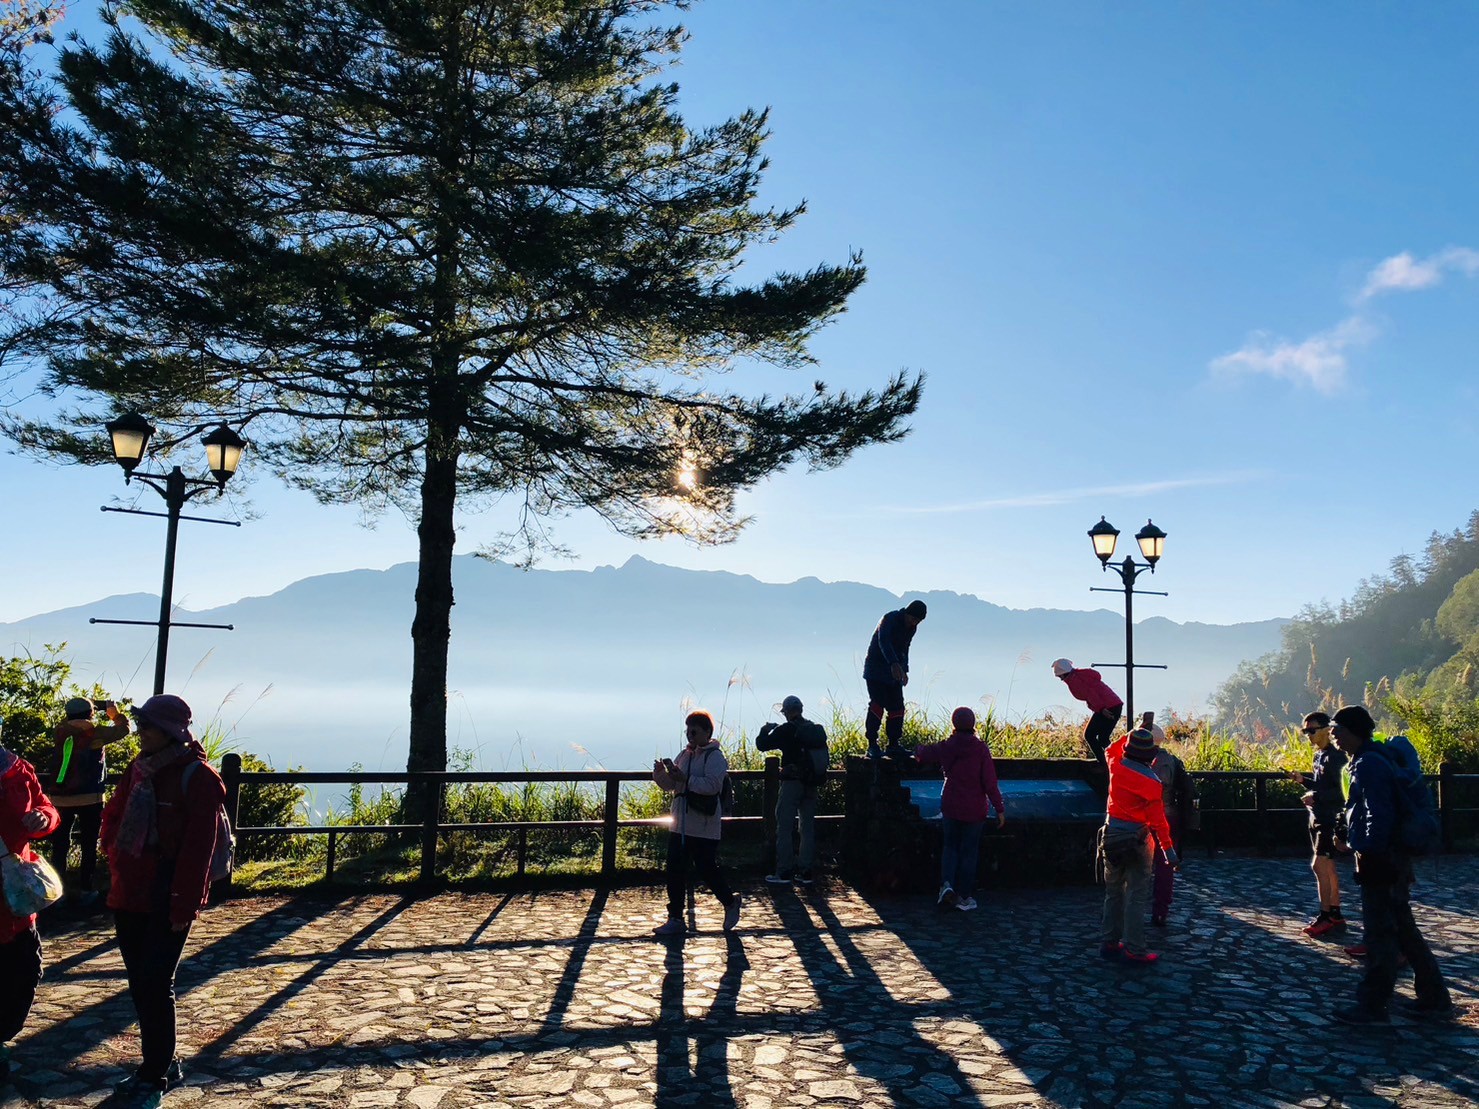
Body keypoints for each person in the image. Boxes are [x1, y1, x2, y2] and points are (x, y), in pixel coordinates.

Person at [100, 694, 226, 1106]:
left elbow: (197, 849)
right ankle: (162, 1062)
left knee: (155, 982)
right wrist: (112, 851)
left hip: (167, 892)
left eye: (147, 727)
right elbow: (114, 815)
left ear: (170, 731)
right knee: (141, 982)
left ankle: (153, 1073)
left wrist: (184, 905)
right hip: (129, 891)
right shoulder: (139, 770)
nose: (140, 733)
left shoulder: (198, 777)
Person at [1328, 705, 1450, 1025]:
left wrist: (1366, 850)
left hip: (1381, 860)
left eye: (1337, 728)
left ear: (1352, 730)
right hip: (1393, 856)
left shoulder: (1368, 764)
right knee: (1404, 929)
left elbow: (1377, 815)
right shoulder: (1373, 759)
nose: (1333, 734)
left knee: (1380, 933)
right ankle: (1434, 998)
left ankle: (1372, 1005)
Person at [0, 726, 60, 1086]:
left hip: (15, 897)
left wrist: (43, 818)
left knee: (24, 972)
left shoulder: (17, 769)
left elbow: (46, 808)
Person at [651, 710, 741, 938]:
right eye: (687, 729)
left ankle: (730, 901)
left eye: (694, 730)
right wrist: (660, 775)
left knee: (706, 869)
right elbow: (673, 785)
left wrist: (685, 779)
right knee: (674, 870)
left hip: (703, 826)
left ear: (707, 732)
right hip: (680, 823)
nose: (689, 734)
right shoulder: (685, 754)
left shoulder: (715, 758)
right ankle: (676, 918)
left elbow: (712, 786)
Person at [1098, 727, 1179, 964]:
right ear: (1151, 756)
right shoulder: (1151, 782)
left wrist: (1133, 731)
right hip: (1138, 840)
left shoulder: (1115, 765)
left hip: (1111, 834)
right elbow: (1158, 821)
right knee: (1136, 894)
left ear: (1127, 748)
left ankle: (1109, 942)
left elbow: (1110, 749)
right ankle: (1135, 948)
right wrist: (1169, 850)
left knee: (1113, 892)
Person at [913, 706, 1006, 912]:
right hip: (975, 809)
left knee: (950, 847)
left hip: (951, 805)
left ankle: (946, 885)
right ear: (972, 724)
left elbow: (924, 754)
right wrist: (999, 808)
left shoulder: (947, 746)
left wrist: (916, 750)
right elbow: (990, 782)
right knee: (969, 852)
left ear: (954, 723)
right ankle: (964, 895)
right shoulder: (981, 749)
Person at [46, 696, 131, 907]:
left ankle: (59, 893)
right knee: (88, 844)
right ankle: (86, 889)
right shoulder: (94, 732)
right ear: (91, 712)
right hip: (90, 797)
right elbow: (123, 730)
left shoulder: (60, 730)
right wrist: (114, 714)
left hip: (60, 797)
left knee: (60, 846)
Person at [1286, 711, 1348, 938]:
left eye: (1312, 730)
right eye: (1305, 731)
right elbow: (1322, 786)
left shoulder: (1337, 757)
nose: (1308, 735)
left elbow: (1342, 791)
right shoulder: (1319, 757)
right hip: (1318, 816)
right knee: (1328, 866)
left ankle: (1325, 915)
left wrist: (1316, 795)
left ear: (1326, 729)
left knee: (1319, 865)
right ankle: (1335, 914)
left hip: (1329, 819)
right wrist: (1304, 782)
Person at [757, 695, 829, 886]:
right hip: (812, 782)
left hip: (792, 783)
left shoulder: (786, 730)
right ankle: (805, 871)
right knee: (807, 827)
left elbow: (761, 745)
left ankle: (784, 871)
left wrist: (765, 730)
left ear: (787, 712)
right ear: (801, 709)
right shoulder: (813, 729)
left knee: (785, 827)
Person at [1147, 720, 1196, 927]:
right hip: (1168, 816)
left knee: (1134, 866)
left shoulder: (1132, 761)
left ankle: (1128, 910)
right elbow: (1189, 791)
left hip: (1140, 817)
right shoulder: (1173, 762)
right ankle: (1161, 910)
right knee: (1165, 864)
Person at [863, 599, 927, 760]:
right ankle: (872, 744)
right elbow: (883, 641)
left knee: (897, 707)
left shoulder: (912, 627)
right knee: (878, 704)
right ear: (907, 613)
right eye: (913, 619)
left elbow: (905, 648)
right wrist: (893, 663)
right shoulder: (889, 619)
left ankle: (893, 744)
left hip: (895, 671)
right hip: (876, 669)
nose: (915, 623)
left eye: (918, 621)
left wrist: (904, 670)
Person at [1052, 658, 1123, 766]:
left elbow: (1091, 694)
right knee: (1102, 738)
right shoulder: (1080, 675)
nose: (1059, 678)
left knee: (1090, 735)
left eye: (1059, 676)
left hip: (1107, 707)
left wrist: (1101, 709)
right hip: (1113, 705)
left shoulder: (1075, 680)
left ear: (1062, 673)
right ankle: (1115, 762)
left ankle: (1107, 763)